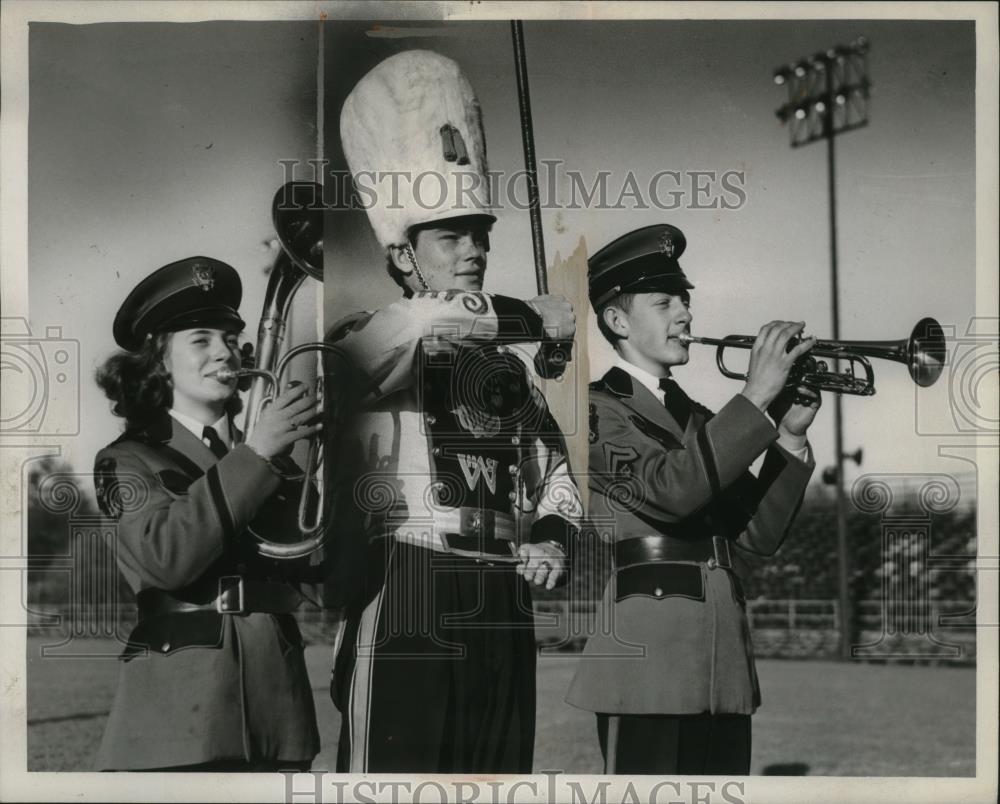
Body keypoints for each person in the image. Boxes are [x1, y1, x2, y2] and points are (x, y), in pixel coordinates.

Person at [326, 50, 584, 774]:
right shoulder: (370, 336)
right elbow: (410, 331)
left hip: (502, 594)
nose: (473, 250)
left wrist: (555, 542)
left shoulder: (506, 370)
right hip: (409, 584)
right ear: (404, 256)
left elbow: (555, 475)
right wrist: (520, 312)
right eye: (450, 235)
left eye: (480, 234)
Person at [565, 224, 820, 774]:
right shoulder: (592, 410)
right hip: (646, 660)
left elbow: (758, 535)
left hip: (722, 659)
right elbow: (669, 492)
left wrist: (789, 437)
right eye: (664, 303)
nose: (684, 313)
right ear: (616, 320)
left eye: (684, 299)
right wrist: (755, 396)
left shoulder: (702, 421)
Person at [92, 256, 321, 771]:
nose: (227, 353)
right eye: (201, 339)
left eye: (229, 339)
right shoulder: (127, 458)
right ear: (158, 363)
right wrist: (257, 455)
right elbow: (167, 558)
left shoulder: (266, 457)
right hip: (179, 718)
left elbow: (325, 580)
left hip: (278, 713)